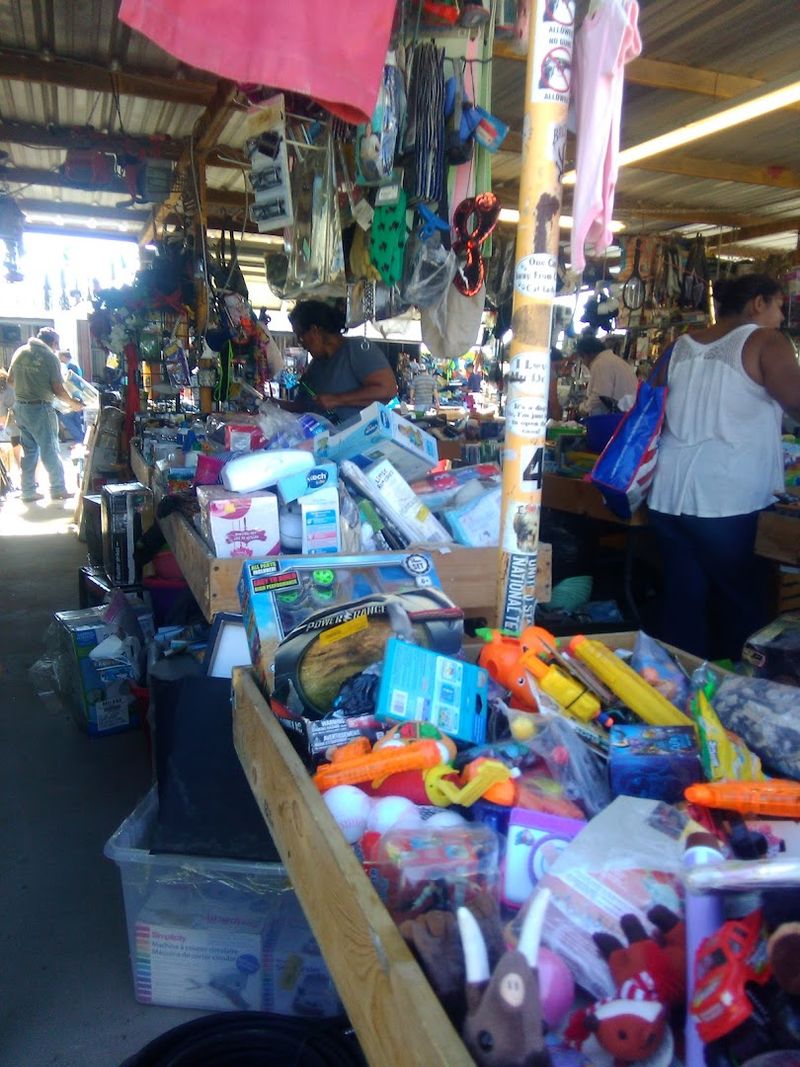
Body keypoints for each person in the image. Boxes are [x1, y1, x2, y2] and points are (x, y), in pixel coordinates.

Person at [648, 273, 800, 661]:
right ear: (758, 304)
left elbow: (649, 407)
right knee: (742, 609)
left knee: (683, 606)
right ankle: (733, 700)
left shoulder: (679, 346)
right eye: (780, 306)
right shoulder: (766, 341)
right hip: (730, 501)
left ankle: (677, 697)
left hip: (668, 497)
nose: (782, 317)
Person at [287, 300, 397, 424]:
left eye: (301, 336)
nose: (300, 343)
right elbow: (302, 407)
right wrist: (270, 404)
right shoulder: (315, 366)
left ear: (314, 331)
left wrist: (338, 400)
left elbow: (387, 390)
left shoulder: (357, 349)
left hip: (361, 439)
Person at [7, 327, 84, 503]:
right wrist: (73, 404)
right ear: (54, 343)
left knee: (29, 451)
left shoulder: (20, 352)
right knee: (50, 449)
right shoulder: (50, 358)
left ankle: (28, 491)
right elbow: (58, 389)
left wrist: (26, 388)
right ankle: (58, 489)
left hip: (21, 408)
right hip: (40, 408)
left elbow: (10, 380)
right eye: (57, 344)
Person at [575, 335, 638, 415]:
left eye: (582, 358)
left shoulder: (600, 364)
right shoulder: (612, 360)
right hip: (628, 413)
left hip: (621, 417)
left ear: (586, 355)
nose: (583, 363)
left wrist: (582, 408)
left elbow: (600, 396)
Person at [0, 367, 22, 486]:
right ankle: (33, 479)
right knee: (32, 450)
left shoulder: (1, 392)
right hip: (28, 419)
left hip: (14, 426)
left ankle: (23, 476)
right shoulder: (13, 384)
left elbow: (2, 419)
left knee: (17, 451)